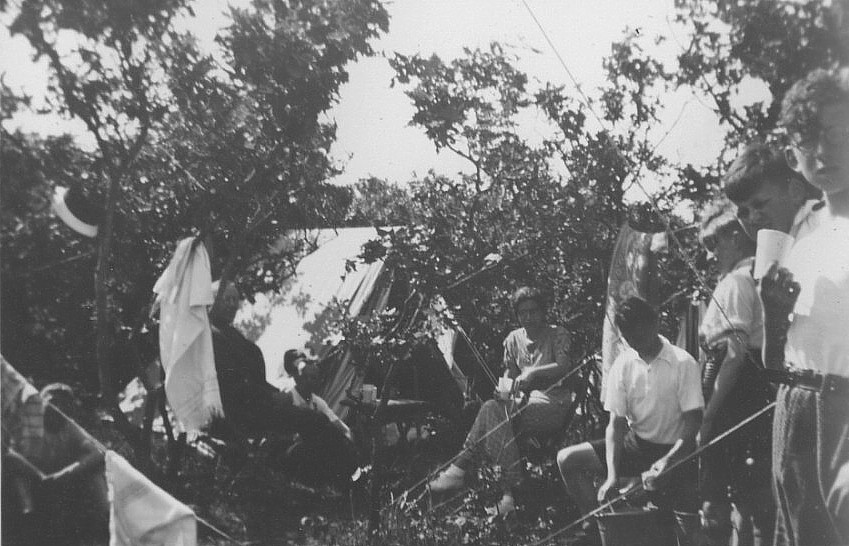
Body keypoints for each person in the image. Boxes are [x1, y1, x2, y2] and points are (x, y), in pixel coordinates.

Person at [760, 67, 849, 546]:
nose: (821, 152)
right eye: (807, 140)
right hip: (794, 414)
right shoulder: (803, 237)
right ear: (792, 155)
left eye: (835, 134)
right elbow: (775, 366)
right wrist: (773, 316)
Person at [557, 296, 703, 545]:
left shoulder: (683, 362)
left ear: (654, 324)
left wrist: (669, 461)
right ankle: (598, 525)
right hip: (637, 445)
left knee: (680, 532)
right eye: (628, 336)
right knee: (567, 459)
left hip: (676, 452)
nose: (635, 340)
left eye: (639, 332)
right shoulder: (624, 363)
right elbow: (616, 424)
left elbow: (693, 422)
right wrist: (612, 475)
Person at [428, 286, 578, 519]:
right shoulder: (514, 339)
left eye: (533, 311)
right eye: (523, 313)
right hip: (523, 402)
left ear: (543, 312)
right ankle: (506, 492)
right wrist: (505, 390)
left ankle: (468, 473)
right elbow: (509, 374)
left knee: (495, 415)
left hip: (553, 401)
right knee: (493, 408)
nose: (528, 317)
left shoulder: (557, 334)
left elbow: (563, 366)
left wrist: (533, 373)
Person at [696, 199, 774, 546]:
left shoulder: (738, 281)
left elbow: (734, 354)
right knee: (743, 496)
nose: (711, 254)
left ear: (736, 236)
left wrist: (710, 414)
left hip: (736, 395)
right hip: (740, 392)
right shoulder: (744, 278)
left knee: (743, 496)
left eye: (715, 243)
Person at [209, 282, 328, 441]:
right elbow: (235, 385)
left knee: (314, 420)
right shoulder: (214, 337)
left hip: (258, 404)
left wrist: (275, 394)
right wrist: (271, 397)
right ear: (213, 302)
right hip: (244, 413)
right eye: (227, 299)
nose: (232, 305)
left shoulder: (230, 333)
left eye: (235, 300)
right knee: (315, 421)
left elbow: (255, 379)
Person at [279, 350, 358, 489]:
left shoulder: (317, 402)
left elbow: (336, 422)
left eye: (314, 378)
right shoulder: (289, 397)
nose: (309, 381)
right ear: (298, 377)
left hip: (310, 447)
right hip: (289, 447)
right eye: (306, 377)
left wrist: (349, 437)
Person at [722, 141, 823, 241]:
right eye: (743, 213)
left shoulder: (821, 226)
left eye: (759, 204)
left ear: (796, 192)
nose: (752, 218)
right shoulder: (777, 244)